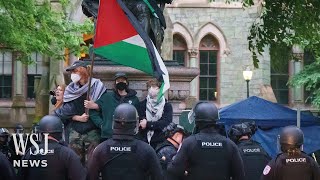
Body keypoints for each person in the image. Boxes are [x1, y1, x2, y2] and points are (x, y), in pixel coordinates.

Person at [167, 102, 245, 180]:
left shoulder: (190, 143)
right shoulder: (229, 144)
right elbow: (239, 175)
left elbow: (174, 170)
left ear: (197, 122)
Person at [88, 103, 163, 180]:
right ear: (136, 123)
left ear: (114, 122)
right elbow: (158, 177)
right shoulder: (146, 150)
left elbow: (91, 177)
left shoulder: (101, 150)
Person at [54, 60, 106, 163]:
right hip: (75, 131)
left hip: (92, 131)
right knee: (74, 163)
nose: (73, 75)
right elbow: (64, 112)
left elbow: (106, 107)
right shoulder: (70, 90)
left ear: (82, 71)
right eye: (72, 72)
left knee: (92, 163)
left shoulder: (97, 86)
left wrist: (95, 106)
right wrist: (76, 117)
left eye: (75, 71)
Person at [18, 115, 87, 180]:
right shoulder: (67, 154)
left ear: (40, 133)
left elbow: (20, 176)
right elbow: (80, 177)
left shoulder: (30, 152)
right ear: (60, 133)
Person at [89, 72, 140, 142]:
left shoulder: (134, 99)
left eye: (123, 81)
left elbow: (138, 116)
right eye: (118, 81)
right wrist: (102, 125)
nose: (120, 83)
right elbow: (92, 111)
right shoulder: (107, 97)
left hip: (128, 136)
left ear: (127, 83)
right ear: (115, 83)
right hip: (108, 136)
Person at [137, 78, 173, 149]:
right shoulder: (142, 105)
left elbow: (165, 123)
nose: (151, 90)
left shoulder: (166, 106)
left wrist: (147, 124)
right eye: (149, 87)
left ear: (160, 89)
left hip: (161, 143)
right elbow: (141, 121)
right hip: (144, 142)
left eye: (154, 87)